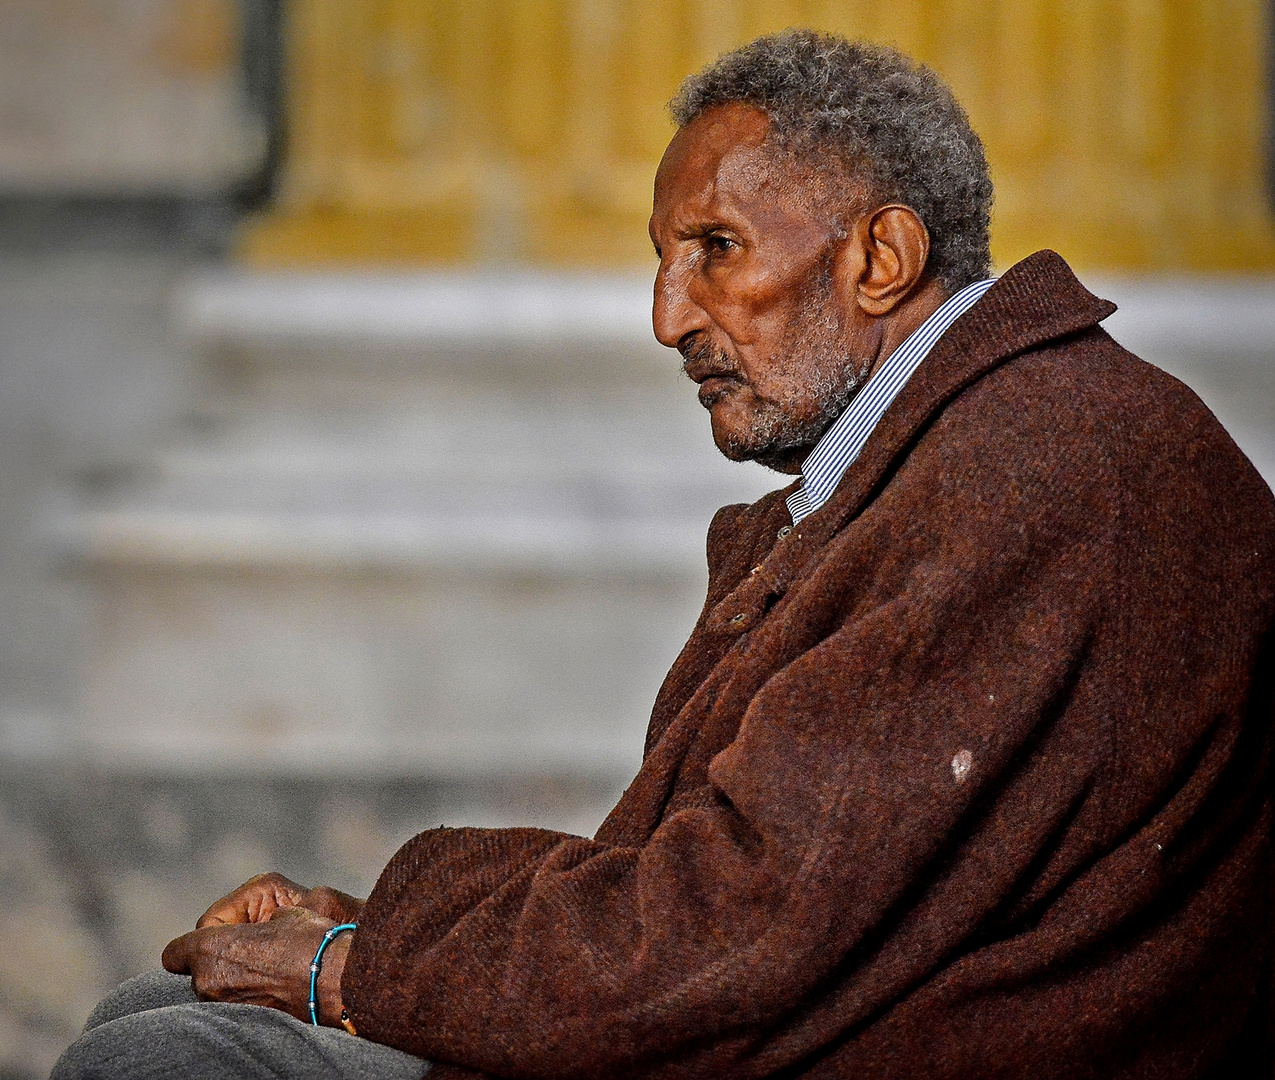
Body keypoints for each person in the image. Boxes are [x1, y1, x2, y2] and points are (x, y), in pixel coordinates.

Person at [55, 29, 1275, 1080]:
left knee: (164, 1058)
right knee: (164, 1018)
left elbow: (738, 932)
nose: (666, 315)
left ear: (880, 258)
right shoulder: (981, 455)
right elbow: (721, 891)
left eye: (716, 249)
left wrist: (355, 967)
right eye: (662, 259)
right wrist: (382, 932)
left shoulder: (1029, 470)